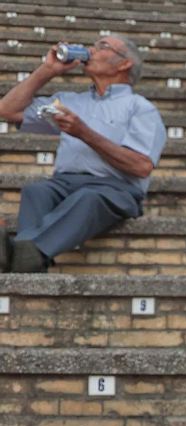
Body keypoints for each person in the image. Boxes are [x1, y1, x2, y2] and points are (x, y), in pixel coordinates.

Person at [0, 38, 164, 273]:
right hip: (63, 184)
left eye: (102, 46)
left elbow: (141, 166)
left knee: (88, 197)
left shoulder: (140, 108)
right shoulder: (68, 101)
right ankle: (27, 261)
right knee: (36, 191)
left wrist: (83, 132)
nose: (91, 50)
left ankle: (20, 252)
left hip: (116, 189)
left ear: (124, 64)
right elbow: (7, 109)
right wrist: (47, 70)